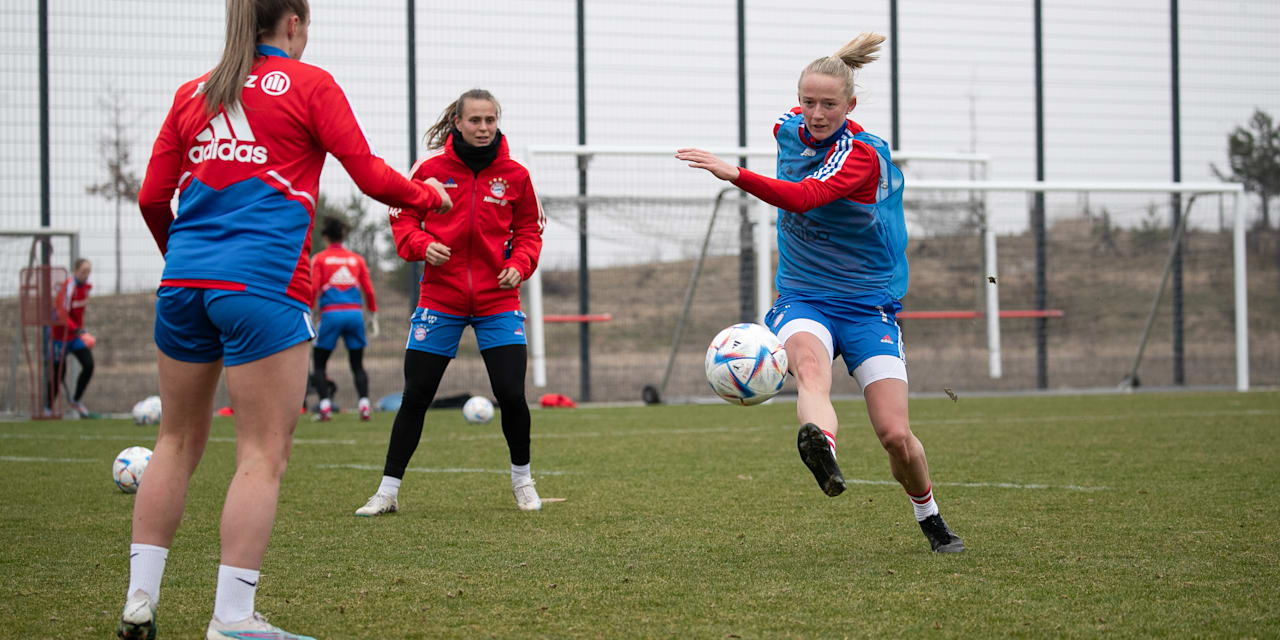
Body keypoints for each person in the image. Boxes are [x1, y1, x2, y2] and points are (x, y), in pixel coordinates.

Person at [123, 0, 450, 637]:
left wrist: (186, 261)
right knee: (260, 452)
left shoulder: (194, 91)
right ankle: (233, 618)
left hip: (184, 284)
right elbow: (369, 175)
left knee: (174, 441)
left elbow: (151, 197)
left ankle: (140, 600)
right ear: (294, 23)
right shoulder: (309, 83)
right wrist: (424, 195)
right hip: (262, 285)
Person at [675, 33, 965, 553]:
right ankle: (822, 449)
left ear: (850, 105)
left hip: (868, 305)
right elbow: (801, 126)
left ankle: (930, 516)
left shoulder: (861, 155)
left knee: (896, 436)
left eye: (829, 103)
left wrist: (733, 172)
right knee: (811, 370)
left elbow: (807, 197)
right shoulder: (789, 128)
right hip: (803, 296)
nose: (815, 113)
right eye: (808, 101)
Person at [354, 89, 545, 517]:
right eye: (474, 120)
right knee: (416, 394)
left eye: (490, 120)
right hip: (440, 297)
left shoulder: (516, 174)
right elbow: (403, 218)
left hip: (498, 298)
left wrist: (520, 262)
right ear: (457, 122)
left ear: (498, 122)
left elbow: (531, 229)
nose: (482, 128)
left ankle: (523, 482)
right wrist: (423, 245)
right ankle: (387, 491)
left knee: (511, 394)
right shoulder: (430, 169)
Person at [310, 216, 380, 421]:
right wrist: (373, 312)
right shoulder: (356, 259)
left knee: (320, 364)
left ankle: (324, 407)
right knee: (357, 364)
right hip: (354, 315)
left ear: (325, 237)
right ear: (343, 236)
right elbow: (368, 289)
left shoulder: (320, 259)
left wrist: (308, 310)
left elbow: (313, 288)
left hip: (331, 315)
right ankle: (364, 405)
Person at [47, 258, 95, 418]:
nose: (86, 275)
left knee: (88, 364)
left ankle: (76, 400)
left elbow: (78, 313)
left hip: (74, 337)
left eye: (88, 272)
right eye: (83, 271)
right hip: (60, 336)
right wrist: (80, 332)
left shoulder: (87, 287)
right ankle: (48, 407)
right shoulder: (69, 286)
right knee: (58, 374)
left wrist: (81, 332)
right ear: (75, 270)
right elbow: (62, 314)